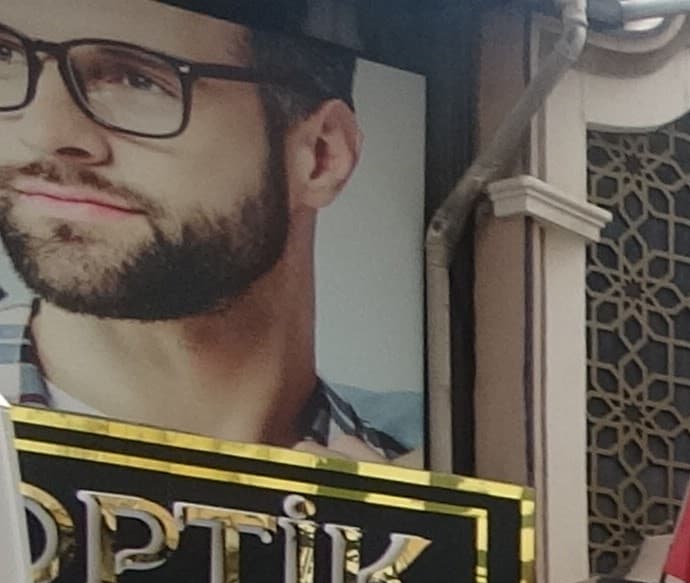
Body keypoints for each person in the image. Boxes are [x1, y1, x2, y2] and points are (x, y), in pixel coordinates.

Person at [0, 3, 414, 459]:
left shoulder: (436, 459)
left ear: (319, 155)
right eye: (5, 57)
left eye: (137, 79)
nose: (41, 133)